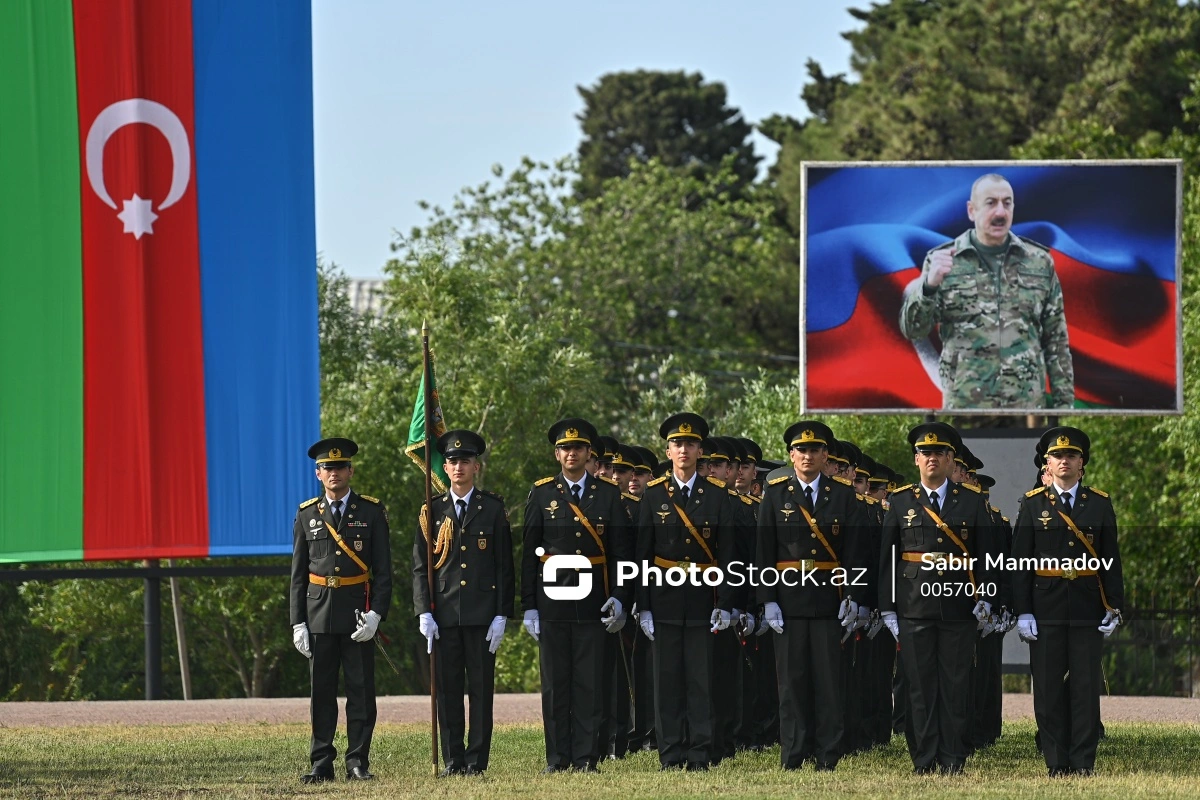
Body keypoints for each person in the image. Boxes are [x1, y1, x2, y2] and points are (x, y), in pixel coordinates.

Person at [878, 422, 999, 774]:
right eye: (925, 453)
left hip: (959, 605)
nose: (932, 459)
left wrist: (987, 598)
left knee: (955, 684)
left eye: (940, 453)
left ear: (951, 460)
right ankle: (924, 757)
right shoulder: (900, 502)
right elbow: (887, 558)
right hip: (914, 606)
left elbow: (988, 556)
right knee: (919, 685)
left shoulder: (972, 501)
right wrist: (887, 607)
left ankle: (952, 756)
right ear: (916, 460)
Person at [899, 173, 1074, 410]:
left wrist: (1065, 406)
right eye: (990, 203)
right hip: (966, 405)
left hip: (1025, 406)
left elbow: (1056, 340)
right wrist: (929, 286)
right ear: (972, 210)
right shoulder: (943, 261)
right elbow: (913, 330)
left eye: (1007, 203)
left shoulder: (1039, 262)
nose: (1000, 212)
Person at [522, 418, 634, 773]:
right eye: (565, 448)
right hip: (552, 601)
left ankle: (586, 757)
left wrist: (619, 596)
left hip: (593, 602)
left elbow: (621, 553)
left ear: (589, 454)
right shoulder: (541, 494)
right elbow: (528, 555)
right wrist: (528, 606)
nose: (572, 453)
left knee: (589, 683)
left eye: (579, 448)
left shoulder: (608, 494)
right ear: (557, 454)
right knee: (556, 686)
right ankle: (557, 758)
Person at [757, 421, 869, 771]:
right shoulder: (775, 493)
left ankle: (827, 756)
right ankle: (792, 755)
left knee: (828, 684)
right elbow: (763, 550)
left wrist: (854, 595)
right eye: (800, 450)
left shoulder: (843, 494)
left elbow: (855, 552)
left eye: (814, 450)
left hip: (829, 601)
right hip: (787, 601)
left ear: (825, 456)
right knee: (791, 684)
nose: (807, 456)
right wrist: (767, 599)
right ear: (791, 455)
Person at [1012, 427, 1124, 777]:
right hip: (1045, 609)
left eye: (1071, 456)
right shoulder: (1032, 504)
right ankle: (1056, 760)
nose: (1064, 461)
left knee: (1085, 688)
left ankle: (1083, 760)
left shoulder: (1100, 503)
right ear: (1048, 462)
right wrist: (1023, 611)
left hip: (1088, 607)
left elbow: (1110, 558)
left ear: (1082, 464)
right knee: (1046, 689)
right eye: (1057, 456)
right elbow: (1020, 562)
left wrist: (1115, 605)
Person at [635, 412, 739, 771]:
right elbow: (642, 556)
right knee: (666, 683)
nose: (683, 449)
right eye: (677, 443)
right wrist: (643, 606)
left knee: (701, 681)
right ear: (668, 449)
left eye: (690, 444)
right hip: (663, 598)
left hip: (702, 599)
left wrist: (726, 603)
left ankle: (699, 752)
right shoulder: (652, 496)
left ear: (699, 450)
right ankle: (670, 752)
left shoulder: (717, 495)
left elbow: (728, 554)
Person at [412, 430, 515, 777]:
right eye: (452, 461)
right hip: (443, 614)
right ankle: (452, 759)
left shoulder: (493, 509)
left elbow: (505, 567)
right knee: (448, 692)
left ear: (476, 467)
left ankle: (476, 760)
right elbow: (420, 567)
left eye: (465, 461)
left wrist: (503, 613)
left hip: (483, 615)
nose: (458, 466)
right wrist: (423, 610)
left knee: (481, 692)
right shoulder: (432, 509)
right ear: (445, 467)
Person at [290, 438, 393, 783]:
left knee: (361, 691)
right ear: (318, 474)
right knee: (322, 693)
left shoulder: (371, 512)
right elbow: (297, 576)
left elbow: (383, 571)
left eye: (340, 467)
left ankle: (357, 761)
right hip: (318, 614)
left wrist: (377, 614)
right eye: (327, 468)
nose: (334, 473)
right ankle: (321, 761)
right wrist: (297, 623)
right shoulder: (307, 515)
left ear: (351, 470)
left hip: (357, 615)